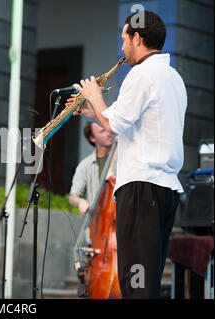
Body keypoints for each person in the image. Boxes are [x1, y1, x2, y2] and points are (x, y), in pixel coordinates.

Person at [68, 11, 187, 298]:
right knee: (146, 281)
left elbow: (115, 123)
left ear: (138, 37)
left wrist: (94, 95)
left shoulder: (142, 74)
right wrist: (91, 113)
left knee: (135, 282)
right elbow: (133, 126)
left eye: (124, 39)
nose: (122, 48)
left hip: (142, 189)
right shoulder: (172, 78)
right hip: (164, 189)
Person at [69, 122, 115, 216]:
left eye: (108, 129)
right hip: (96, 222)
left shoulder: (123, 158)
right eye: (102, 131)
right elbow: (73, 197)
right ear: (92, 138)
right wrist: (80, 202)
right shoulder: (85, 165)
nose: (109, 133)